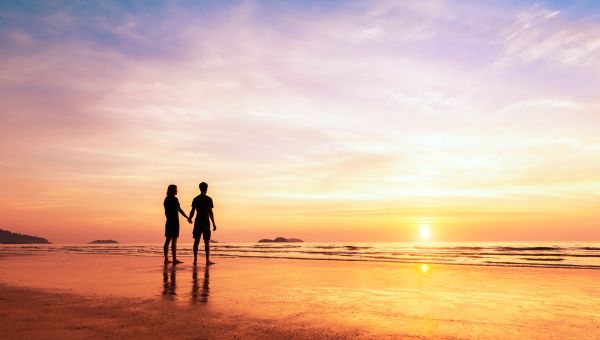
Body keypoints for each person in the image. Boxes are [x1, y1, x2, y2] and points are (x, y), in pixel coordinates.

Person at [189, 182, 217, 265]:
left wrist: (190, 218)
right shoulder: (209, 199)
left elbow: (192, 211)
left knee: (196, 241)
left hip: (197, 222)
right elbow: (210, 212)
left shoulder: (196, 199)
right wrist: (214, 223)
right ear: (206, 188)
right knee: (206, 242)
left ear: (199, 188)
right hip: (205, 222)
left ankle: (195, 260)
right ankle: (207, 260)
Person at [163, 184, 192, 264]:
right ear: (173, 190)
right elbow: (179, 210)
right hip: (174, 222)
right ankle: (174, 259)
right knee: (174, 241)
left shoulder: (166, 199)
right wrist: (187, 217)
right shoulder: (174, 199)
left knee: (168, 240)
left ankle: (166, 259)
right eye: (176, 189)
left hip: (168, 221)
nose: (177, 191)